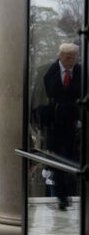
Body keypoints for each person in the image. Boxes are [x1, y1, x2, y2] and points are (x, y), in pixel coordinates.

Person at [43, 43, 81, 210]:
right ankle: (62, 197)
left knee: (73, 161)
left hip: (75, 127)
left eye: (73, 57)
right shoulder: (47, 72)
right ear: (60, 56)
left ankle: (71, 195)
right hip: (55, 127)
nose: (70, 60)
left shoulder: (82, 73)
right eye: (67, 57)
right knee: (58, 162)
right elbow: (41, 97)